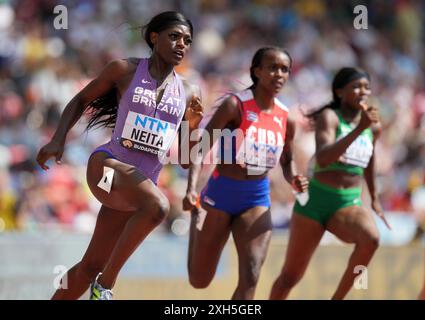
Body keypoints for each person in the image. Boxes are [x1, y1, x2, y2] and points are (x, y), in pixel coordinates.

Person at [36, 11, 203, 300]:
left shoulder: (189, 91)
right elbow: (81, 99)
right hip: (107, 169)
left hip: (134, 188)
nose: (181, 44)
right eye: (174, 36)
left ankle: (95, 281)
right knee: (159, 207)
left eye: (187, 40)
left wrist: (194, 124)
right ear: (154, 37)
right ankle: (106, 286)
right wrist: (57, 139)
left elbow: (187, 158)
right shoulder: (124, 70)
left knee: (90, 266)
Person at [182, 46, 308, 300]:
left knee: (251, 274)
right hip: (220, 193)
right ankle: (198, 220)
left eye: (284, 69)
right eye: (272, 67)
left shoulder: (286, 118)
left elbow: (287, 161)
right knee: (199, 280)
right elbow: (200, 150)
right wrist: (191, 189)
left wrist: (294, 177)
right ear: (257, 71)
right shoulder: (235, 106)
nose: (279, 74)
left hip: (256, 198)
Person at [269, 67, 391, 300]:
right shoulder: (330, 117)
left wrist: (374, 196)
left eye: (366, 86)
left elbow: (370, 159)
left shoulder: (372, 126)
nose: (362, 91)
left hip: (347, 202)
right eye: (356, 86)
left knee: (371, 239)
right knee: (290, 277)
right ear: (339, 92)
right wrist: (358, 129)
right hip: (314, 202)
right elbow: (324, 158)